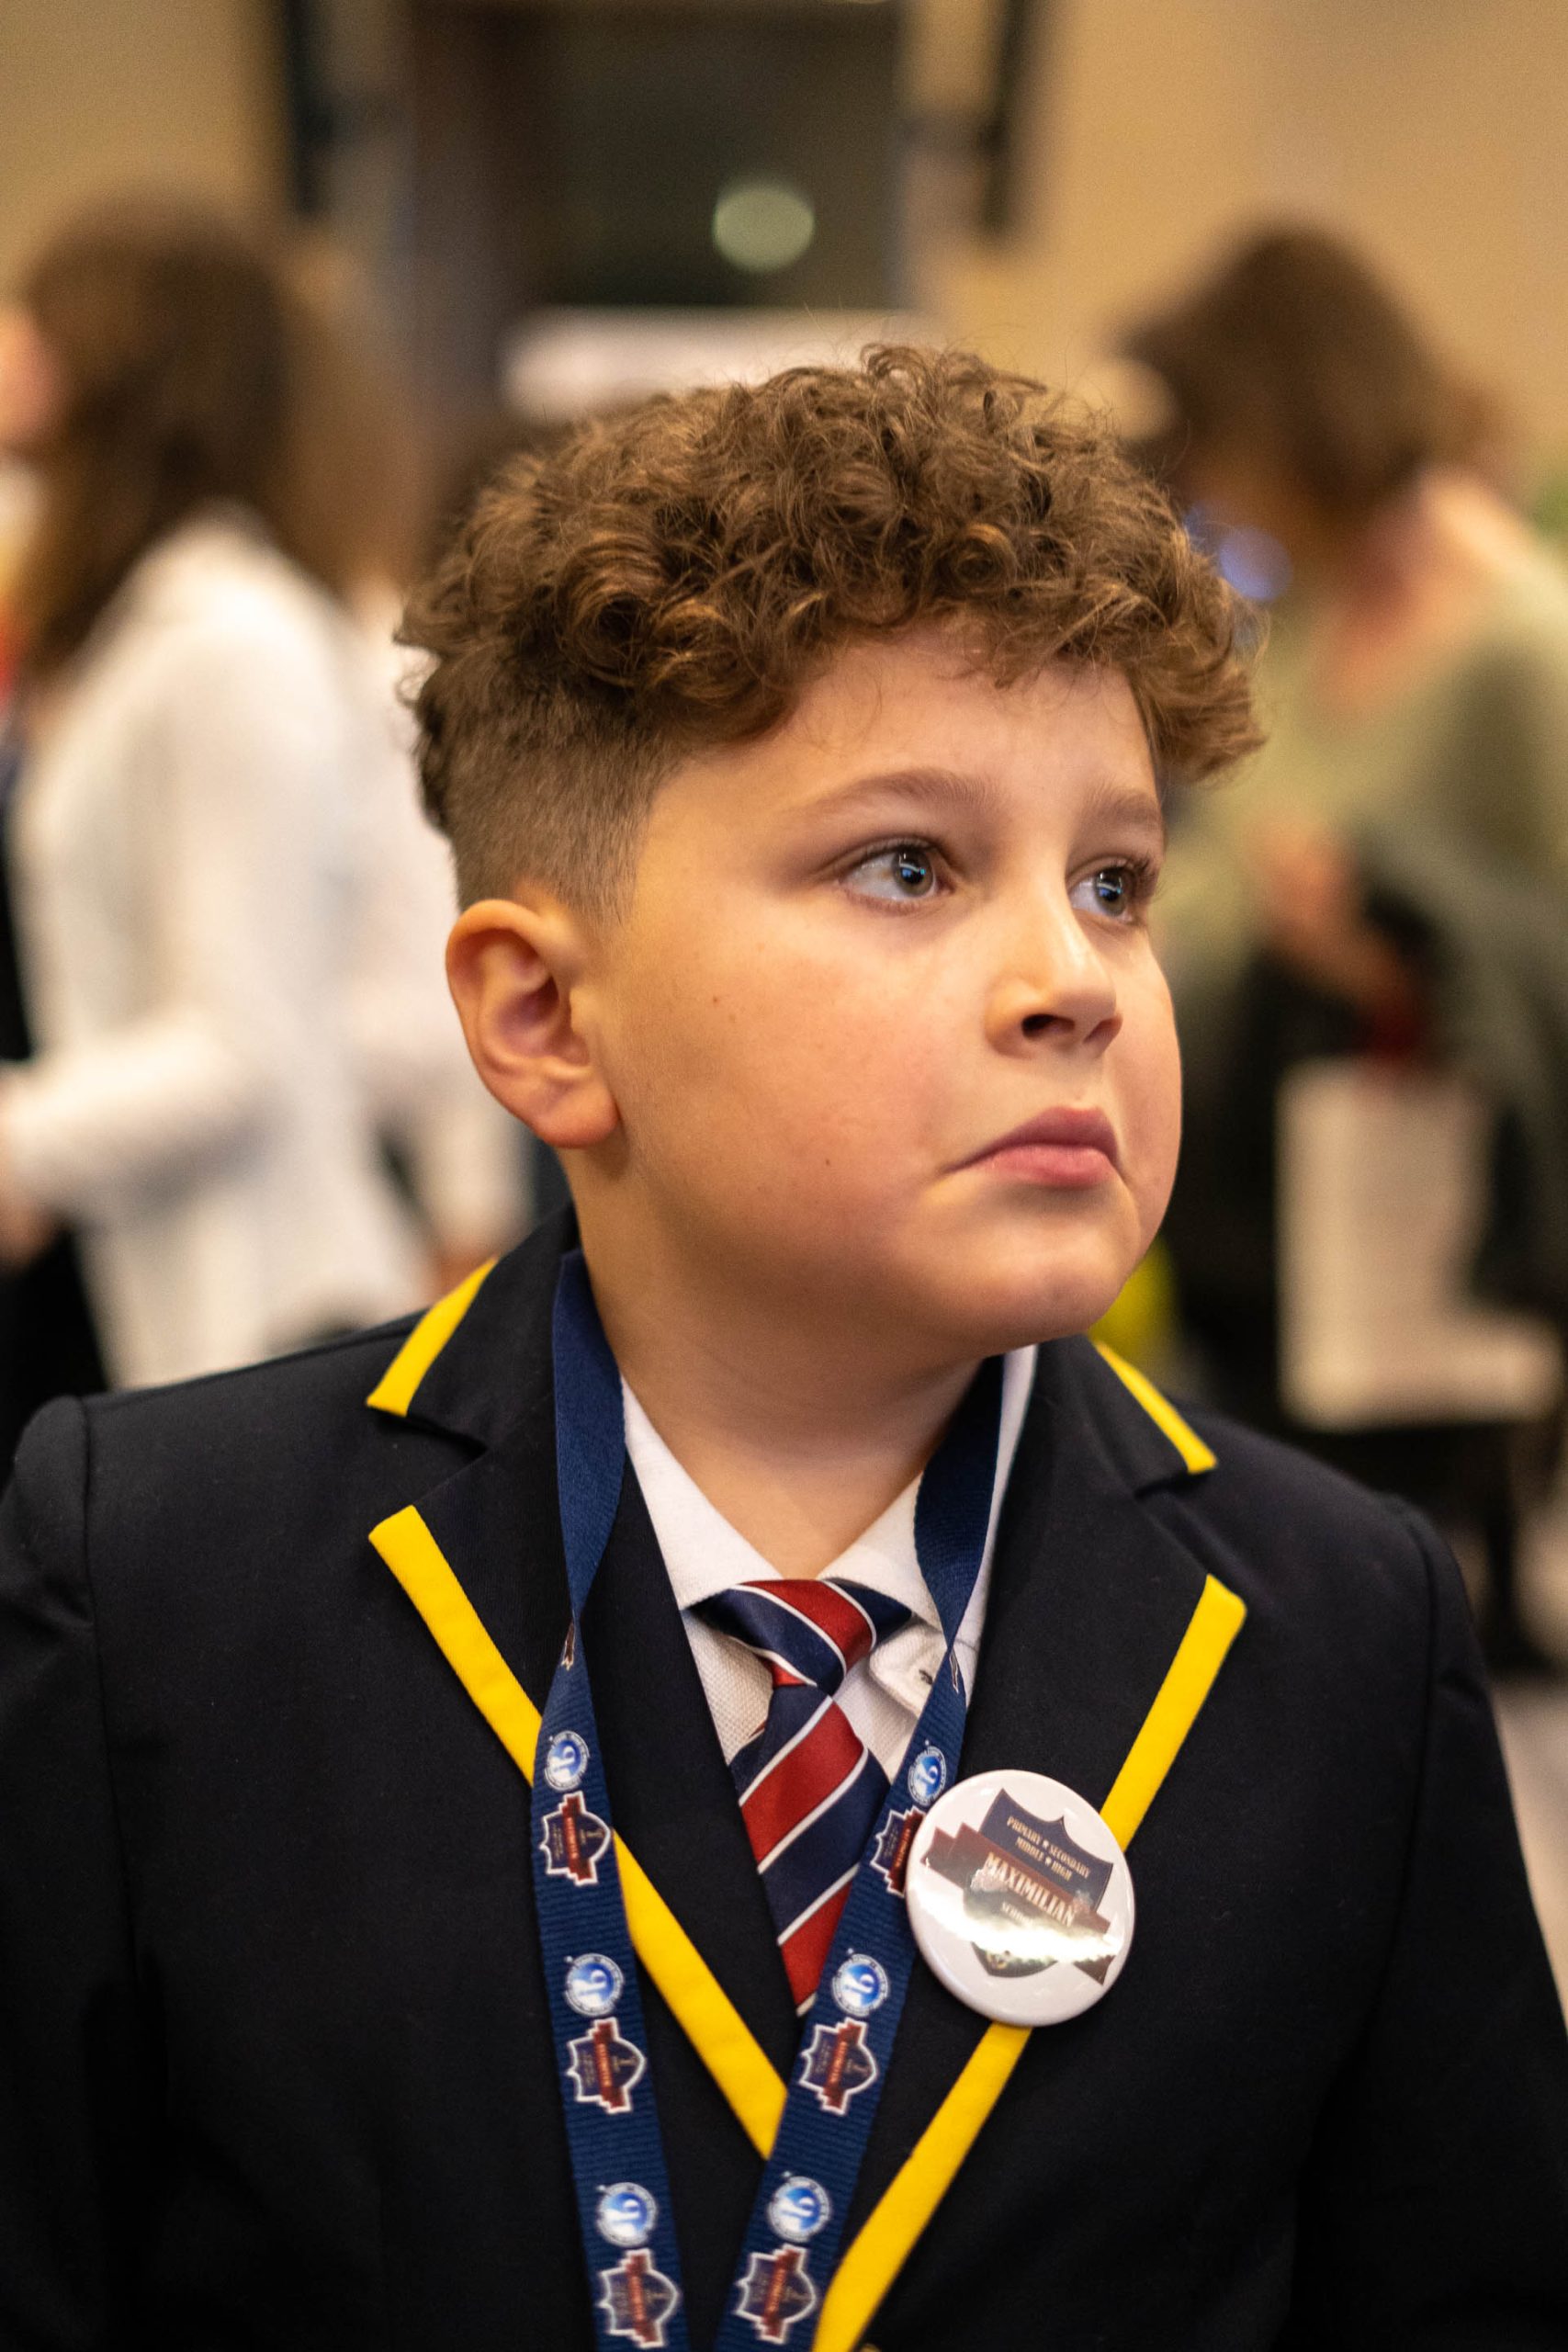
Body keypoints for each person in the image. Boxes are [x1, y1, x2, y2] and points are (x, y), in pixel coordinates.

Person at [0, 347, 1563, 2351]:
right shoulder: (157, 1576)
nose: (1071, 979)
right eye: (907, 865)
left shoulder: (1336, 1625)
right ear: (546, 1019)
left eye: (1114, 881)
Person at [0, 201, 520, 1405]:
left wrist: (22, 1141)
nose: (11, 341)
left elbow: (241, 1047)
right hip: (121, 1262)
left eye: (36, 312)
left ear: (120, 357)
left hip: (241, 1296)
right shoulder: (146, 622)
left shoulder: (230, 640)